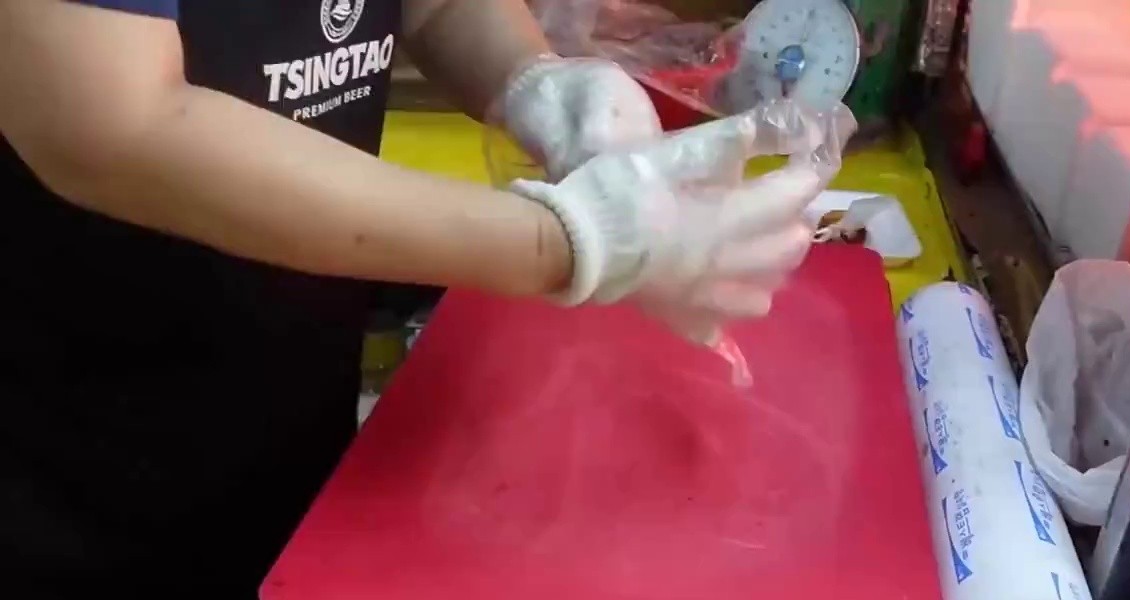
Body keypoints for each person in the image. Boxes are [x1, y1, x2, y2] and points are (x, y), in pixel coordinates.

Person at [0, 0, 842, 596]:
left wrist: (534, 80)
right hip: (67, 464)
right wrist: (564, 242)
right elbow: (112, 125)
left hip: (285, 428)